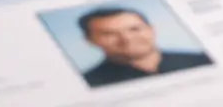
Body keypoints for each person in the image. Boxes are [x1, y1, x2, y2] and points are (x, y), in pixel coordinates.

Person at [76, 7, 212, 87]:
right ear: (90, 40)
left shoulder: (203, 59)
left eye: (134, 29)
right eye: (109, 34)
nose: (126, 39)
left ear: (151, 30)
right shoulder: (90, 82)